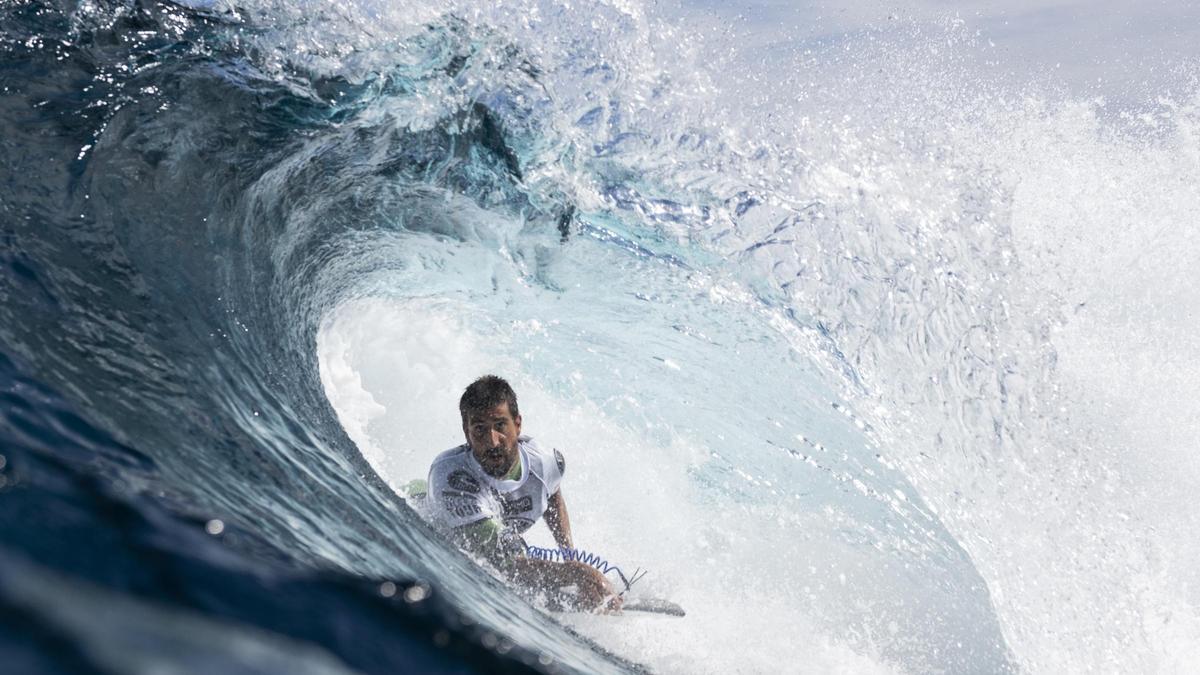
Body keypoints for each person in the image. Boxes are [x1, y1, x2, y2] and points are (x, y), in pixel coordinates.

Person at [426, 375, 621, 612]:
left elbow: (553, 494)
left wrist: (569, 555)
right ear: (467, 434)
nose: (492, 441)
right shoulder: (452, 480)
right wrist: (574, 574)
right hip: (434, 529)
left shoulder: (546, 463)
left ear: (517, 425)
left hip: (501, 545)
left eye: (500, 425)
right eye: (479, 429)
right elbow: (505, 565)